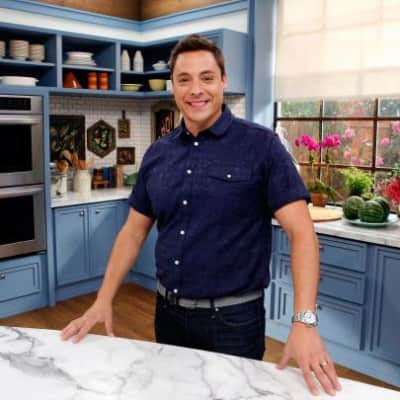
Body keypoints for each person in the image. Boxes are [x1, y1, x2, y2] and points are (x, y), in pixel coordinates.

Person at [61, 34, 342, 396]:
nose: (196, 89)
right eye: (184, 79)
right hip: (168, 314)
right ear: (173, 86)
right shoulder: (158, 154)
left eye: (206, 78)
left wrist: (304, 322)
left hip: (233, 322)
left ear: (223, 80)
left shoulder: (262, 146)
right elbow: (133, 232)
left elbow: (302, 234)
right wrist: (103, 299)